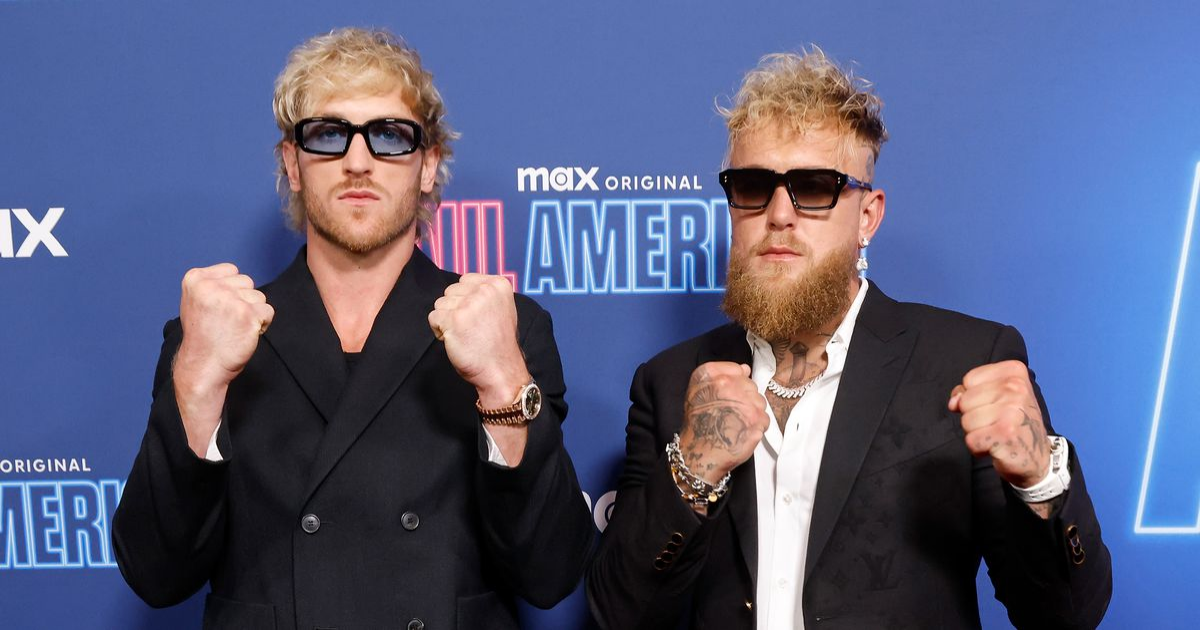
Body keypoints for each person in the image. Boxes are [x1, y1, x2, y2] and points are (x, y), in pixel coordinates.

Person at [588, 48, 1111, 629]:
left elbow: (1066, 615)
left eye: (815, 187)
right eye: (753, 185)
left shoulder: (965, 363)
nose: (779, 214)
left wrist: (1041, 483)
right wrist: (692, 470)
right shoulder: (669, 382)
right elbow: (620, 613)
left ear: (868, 217)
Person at [113, 27, 593, 630]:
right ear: (292, 163)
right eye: (328, 135)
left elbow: (551, 573)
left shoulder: (510, 328)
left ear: (428, 165)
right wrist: (198, 383)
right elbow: (155, 574)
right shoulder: (212, 334)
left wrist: (502, 385)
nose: (358, 162)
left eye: (389, 136)